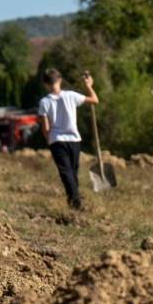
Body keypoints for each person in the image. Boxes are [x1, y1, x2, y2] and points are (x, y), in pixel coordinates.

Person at [37, 68, 99, 210]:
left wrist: (48, 139)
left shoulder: (44, 102)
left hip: (57, 140)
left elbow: (45, 127)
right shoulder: (71, 95)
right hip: (74, 139)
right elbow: (95, 100)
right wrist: (89, 86)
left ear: (45, 84)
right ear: (59, 80)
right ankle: (75, 200)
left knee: (66, 172)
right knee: (73, 170)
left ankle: (75, 200)